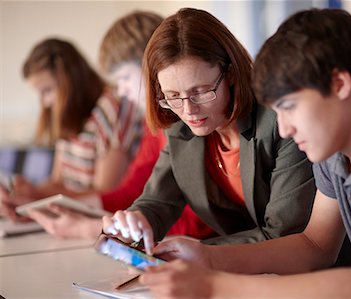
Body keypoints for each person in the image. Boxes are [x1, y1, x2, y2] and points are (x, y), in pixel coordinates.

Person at [132, 8, 351, 299]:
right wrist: (209, 258)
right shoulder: (334, 154)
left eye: (289, 107)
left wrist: (215, 286)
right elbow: (314, 246)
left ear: (339, 84)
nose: (283, 130)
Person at [102, 8, 316, 251]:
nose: (188, 110)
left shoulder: (279, 122)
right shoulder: (179, 126)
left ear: (232, 74)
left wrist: (199, 252)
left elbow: (282, 232)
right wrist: (137, 222)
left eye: (201, 92)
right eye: (172, 96)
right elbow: (157, 201)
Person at [18, 11, 215, 240]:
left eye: (124, 78)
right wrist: (50, 207)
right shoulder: (157, 128)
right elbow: (130, 193)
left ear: (152, 67)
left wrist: (89, 228)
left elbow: (196, 221)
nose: (120, 90)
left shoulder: (194, 123)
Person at [0, 38, 143, 221]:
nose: (45, 102)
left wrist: (39, 198)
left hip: (102, 221)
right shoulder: (67, 117)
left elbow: (107, 193)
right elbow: (58, 181)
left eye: (48, 90)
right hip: (71, 218)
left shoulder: (111, 108)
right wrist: (26, 194)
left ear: (70, 82)